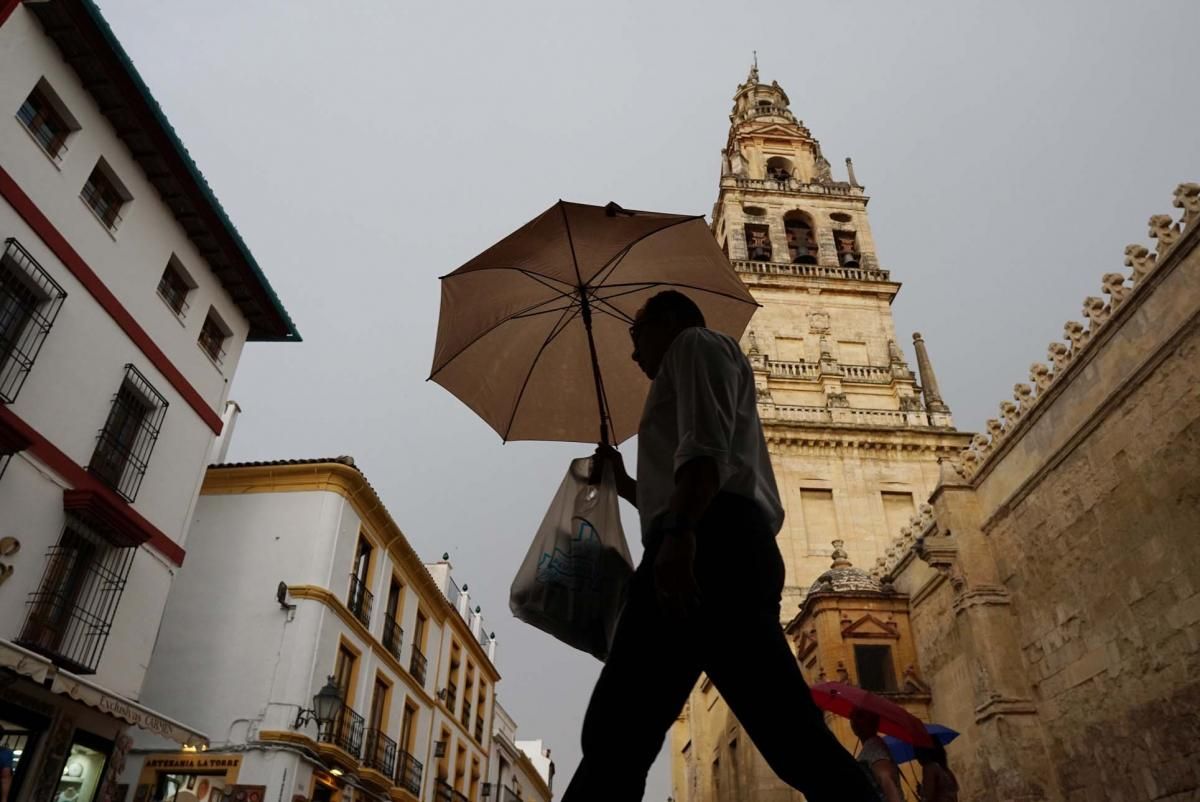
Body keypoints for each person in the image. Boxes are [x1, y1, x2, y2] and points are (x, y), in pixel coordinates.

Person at [563, 290, 877, 802]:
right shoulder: (692, 361)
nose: (632, 352)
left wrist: (681, 537)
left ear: (667, 321)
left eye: (635, 333)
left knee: (620, 729)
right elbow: (689, 476)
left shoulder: (694, 345)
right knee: (787, 733)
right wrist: (625, 484)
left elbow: (707, 454)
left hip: (707, 546)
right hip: (714, 542)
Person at [849, 709, 905, 802]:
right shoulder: (870, 746)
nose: (854, 720)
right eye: (851, 716)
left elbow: (885, 779)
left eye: (860, 716)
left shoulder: (874, 746)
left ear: (872, 721)